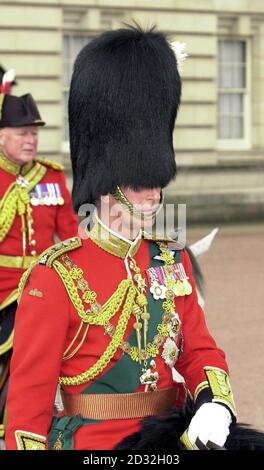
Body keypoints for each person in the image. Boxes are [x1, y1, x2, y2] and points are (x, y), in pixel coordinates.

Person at [5, 26, 236, 451]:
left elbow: (200, 351)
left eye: (156, 180)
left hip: (174, 437)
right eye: (138, 182)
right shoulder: (56, 276)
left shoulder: (172, 262)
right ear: (107, 183)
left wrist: (214, 403)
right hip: (94, 445)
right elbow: (28, 410)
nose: (153, 193)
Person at [0, 71, 79, 440]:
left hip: (44, 287)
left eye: (34, 133)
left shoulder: (51, 177)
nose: (30, 141)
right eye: (22, 134)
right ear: (2, 137)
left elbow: (73, 234)